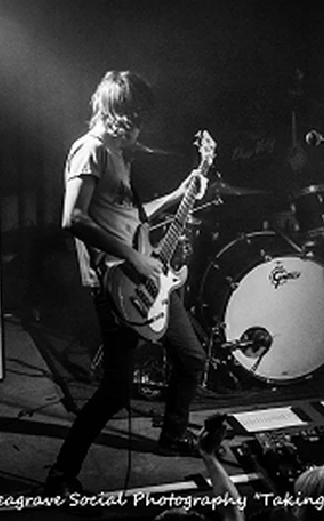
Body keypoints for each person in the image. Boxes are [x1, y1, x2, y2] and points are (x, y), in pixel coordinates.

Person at [44, 70, 207, 496]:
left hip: (147, 278)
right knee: (115, 391)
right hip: (118, 282)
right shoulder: (91, 150)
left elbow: (126, 216)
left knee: (190, 358)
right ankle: (62, 475)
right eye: (137, 119)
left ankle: (172, 436)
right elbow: (73, 218)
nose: (142, 129)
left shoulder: (118, 154)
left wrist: (174, 198)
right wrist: (134, 255)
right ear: (121, 113)